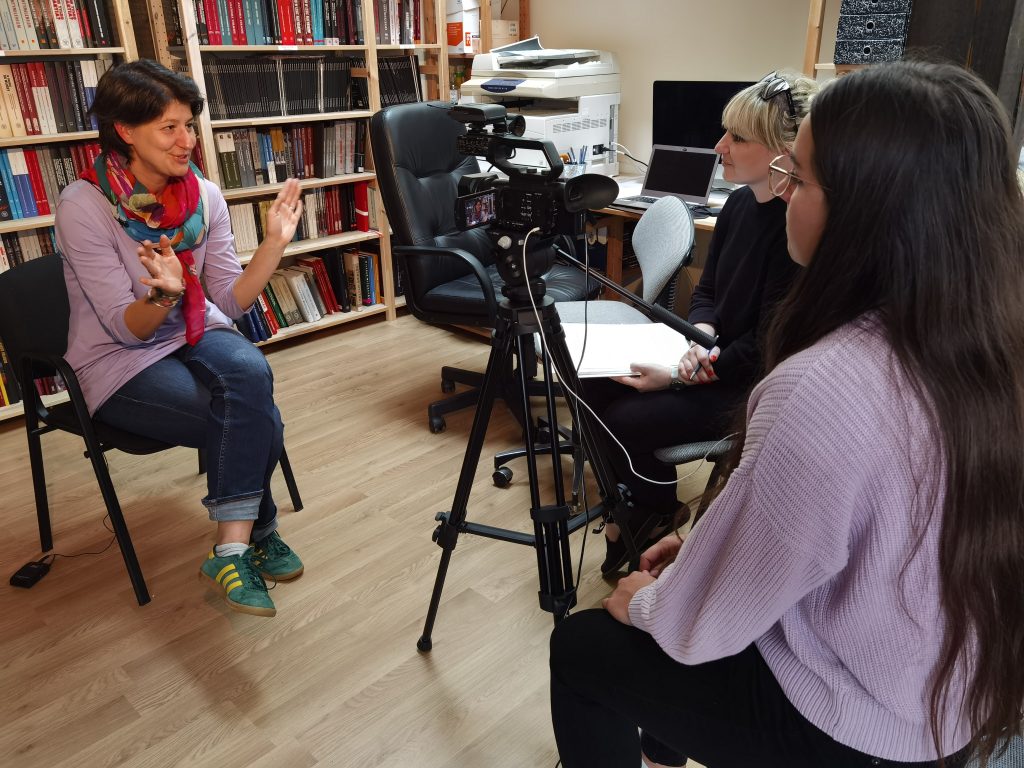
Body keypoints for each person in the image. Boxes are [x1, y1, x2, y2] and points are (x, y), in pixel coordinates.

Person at [549, 60, 1024, 768]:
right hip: (953, 701)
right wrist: (706, 544)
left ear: (865, 210)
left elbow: (698, 628)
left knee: (582, 646)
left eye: (796, 177)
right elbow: (869, 530)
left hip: (860, 727)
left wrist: (646, 600)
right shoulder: (991, 342)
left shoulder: (825, 386)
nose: (784, 190)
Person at [55, 60, 305, 618]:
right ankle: (261, 530)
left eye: (189, 125)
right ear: (125, 130)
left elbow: (229, 303)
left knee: (251, 374)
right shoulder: (83, 207)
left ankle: (230, 550)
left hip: (192, 329)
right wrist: (164, 296)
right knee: (254, 417)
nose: (186, 140)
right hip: (118, 357)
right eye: (169, 127)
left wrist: (273, 244)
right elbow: (124, 326)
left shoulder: (204, 197)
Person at [590, 71, 817, 575]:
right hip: (711, 356)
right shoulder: (738, 205)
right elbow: (708, 291)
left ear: (783, 150)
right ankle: (644, 505)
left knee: (624, 419)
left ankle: (644, 510)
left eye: (738, 137)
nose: (719, 147)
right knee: (593, 383)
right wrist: (703, 333)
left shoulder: (796, 230)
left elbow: (763, 348)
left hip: (745, 385)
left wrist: (678, 376)